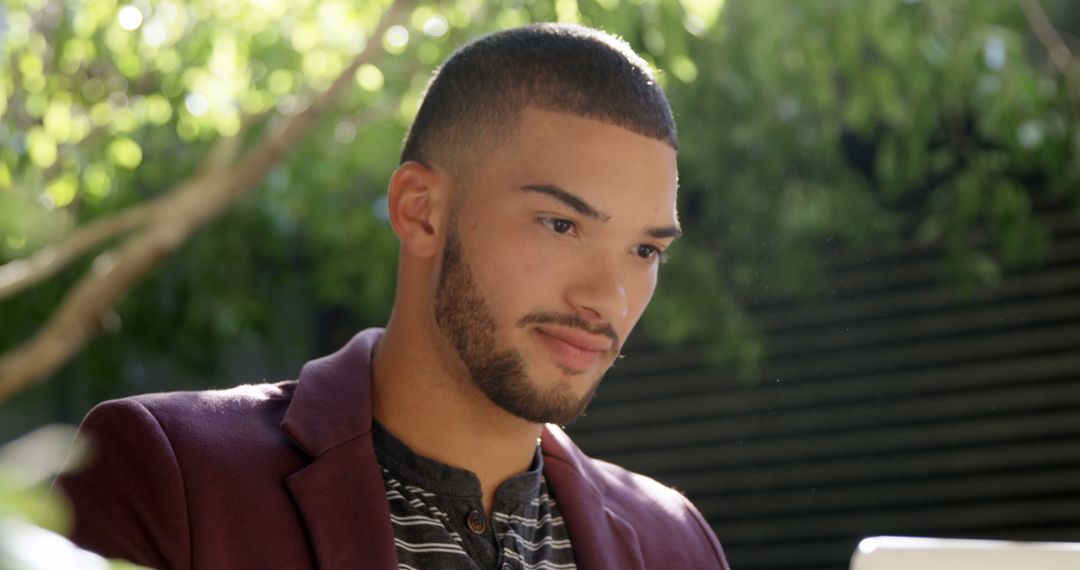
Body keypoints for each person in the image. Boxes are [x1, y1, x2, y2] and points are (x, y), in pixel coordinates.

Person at [55, 23, 729, 570]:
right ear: (421, 210)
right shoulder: (173, 478)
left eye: (645, 251)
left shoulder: (678, 544)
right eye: (561, 224)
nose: (607, 300)